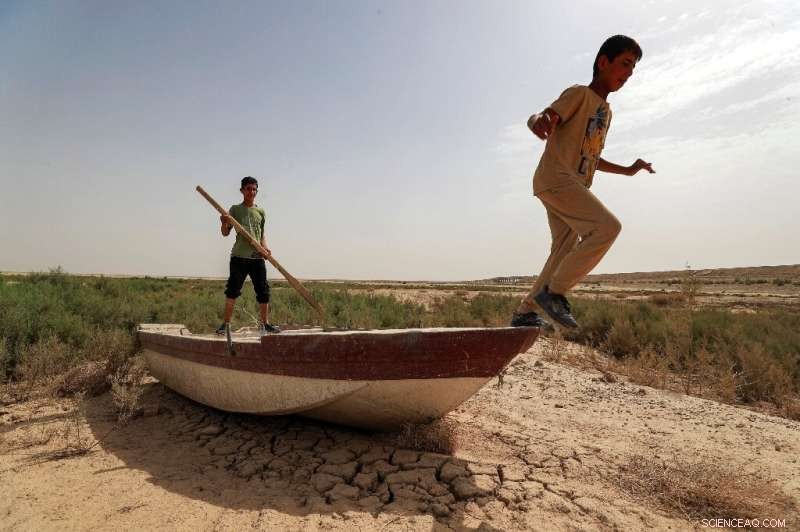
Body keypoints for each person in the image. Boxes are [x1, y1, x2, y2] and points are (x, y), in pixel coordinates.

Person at [511, 35, 655, 330]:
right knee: (607, 228)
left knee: (563, 249)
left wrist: (629, 170)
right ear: (604, 62)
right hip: (557, 178)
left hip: (570, 185)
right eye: (625, 64)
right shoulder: (579, 94)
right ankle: (554, 293)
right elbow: (545, 115)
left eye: (633, 68)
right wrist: (539, 120)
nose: (629, 73)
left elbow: (592, 156)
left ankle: (525, 312)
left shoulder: (606, 112)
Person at [216, 176, 281, 335]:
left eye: (254, 189)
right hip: (239, 257)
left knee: (263, 291)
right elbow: (225, 233)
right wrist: (223, 222)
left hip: (257, 258)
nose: (251, 192)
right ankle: (226, 325)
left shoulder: (261, 211)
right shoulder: (235, 210)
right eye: (248, 189)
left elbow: (261, 234)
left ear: (256, 191)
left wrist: (265, 248)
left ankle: (265, 324)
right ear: (242, 191)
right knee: (232, 290)